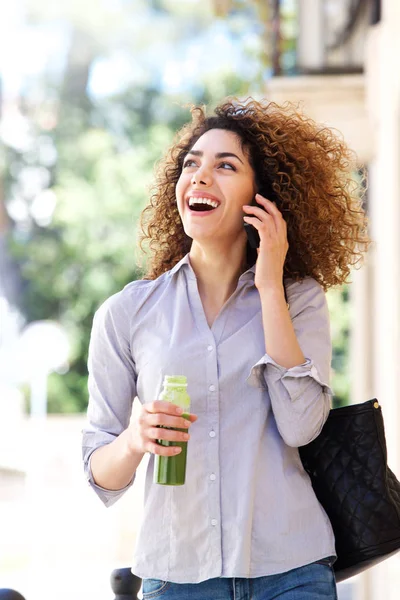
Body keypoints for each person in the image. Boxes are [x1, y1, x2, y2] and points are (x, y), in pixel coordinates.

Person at [82, 97, 369, 600]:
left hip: (292, 570)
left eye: (225, 165)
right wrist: (134, 438)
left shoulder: (298, 299)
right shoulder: (128, 313)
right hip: (178, 577)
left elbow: (302, 425)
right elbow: (101, 476)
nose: (200, 175)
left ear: (263, 197)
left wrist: (270, 286)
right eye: (191, 163)